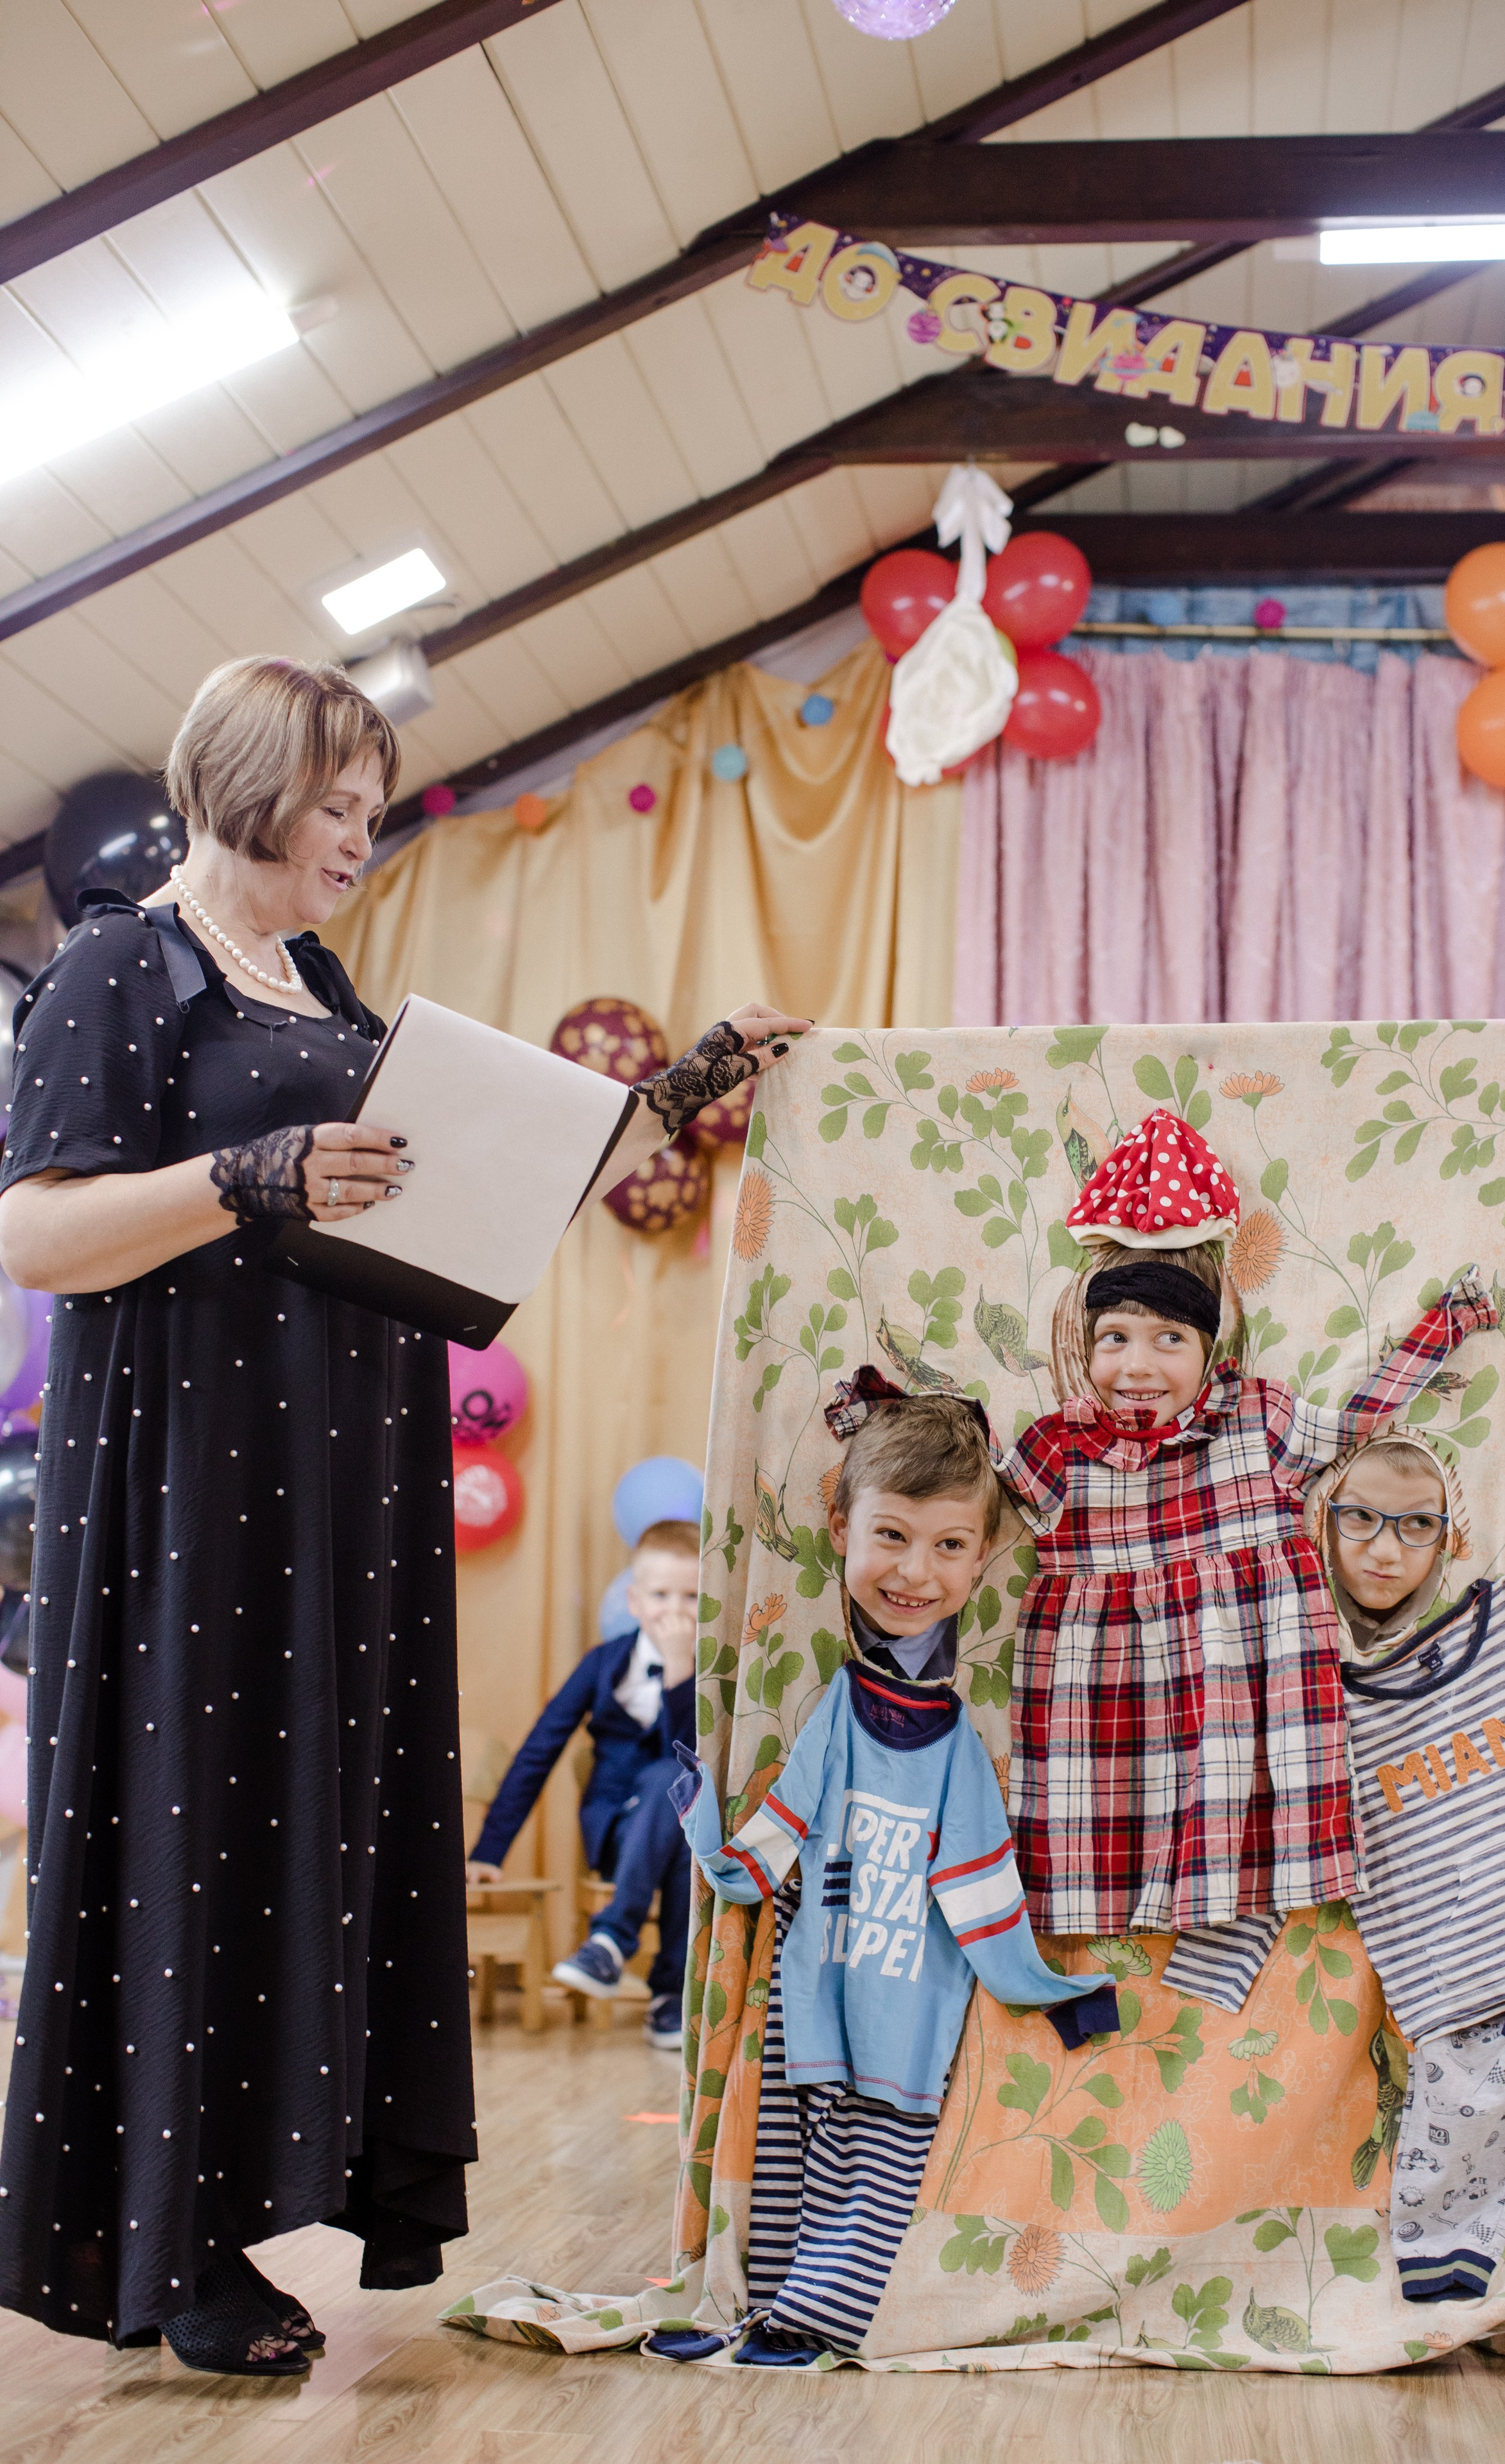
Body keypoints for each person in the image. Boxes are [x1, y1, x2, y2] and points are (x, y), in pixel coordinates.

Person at [0, 652, 807, 2375]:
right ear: (247, 782)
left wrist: (687, 1084)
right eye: (337, 801)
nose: (360, 832)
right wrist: (245, 1178)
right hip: (192, 1484)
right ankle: (176, 2246)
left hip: (341, 1484)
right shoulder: (121, 960)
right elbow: (39, 1233)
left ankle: (259, 2203)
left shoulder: (316, 981)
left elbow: (484, 1181)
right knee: (196, 1821)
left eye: (372, 806)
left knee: (301, 1825)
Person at [660, 1390, 1117, 2368]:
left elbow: (982, 1889)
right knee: (787, 2154)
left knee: (878, 2161)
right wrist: (708, 1831)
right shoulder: (833, 1707)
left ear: (983, 1558)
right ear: (842, 1528)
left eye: (949, 1546)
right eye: (893, 1537)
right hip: (809, 1986)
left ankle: (821, 2320)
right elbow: (775, 1838)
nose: (915, 1572)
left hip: (909, 2002)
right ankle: (767, 2303)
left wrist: (1051, 1993)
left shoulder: (958, 1748)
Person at [1174, 1429, 1505, 2349]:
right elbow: (1271, 1844)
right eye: (1361, 1520)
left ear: (1448, 1534)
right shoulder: (1319, 1707)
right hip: (1458, 1979)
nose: (1385, 1549)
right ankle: (1461, 2314)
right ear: (1324, 1523)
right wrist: (1216, 1965)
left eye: (1414, 1525)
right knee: (1449, 2188)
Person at [993, 1106, 1498, 1940]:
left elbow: (1357, 1422)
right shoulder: (1060, 1448)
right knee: (1103, 1849)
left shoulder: (1254, 1423)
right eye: (1114, 1337)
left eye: (1168, 1339)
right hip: (1110, 1713)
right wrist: (894, 1423)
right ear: (1086, 1345)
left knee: (1240, 1824)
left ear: (1208, 1352)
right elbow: (972, 1499)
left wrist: (1444, 1327)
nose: (1137, 1365)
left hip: (1241, 1706)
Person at [466, 1519, 700, 2049]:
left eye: (691, 1596)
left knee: (681, 1801)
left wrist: (681, 1670)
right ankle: (652, 1976)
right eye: (661, 1595)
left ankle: (623, 1955)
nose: (675, 1609)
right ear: (634, 1601)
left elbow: (691, 1756)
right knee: (672, 1790)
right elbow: (538, 1752)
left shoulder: (714, 1669)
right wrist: (489, 1850)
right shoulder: (602, 1664)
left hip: (686, 1831)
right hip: (617, 1829)